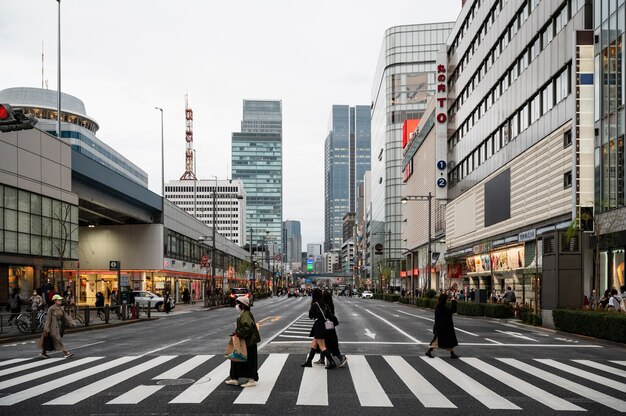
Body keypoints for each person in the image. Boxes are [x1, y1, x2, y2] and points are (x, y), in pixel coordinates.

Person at [224, 296, 261, 387]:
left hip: (249, 342)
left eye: (238, 304)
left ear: (242, 305)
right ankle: (235, 378)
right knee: (237, 358)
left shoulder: (246, 314)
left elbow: (247, 327)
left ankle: (251, 380)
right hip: (245, 341)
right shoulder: (244, 313)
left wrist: (238, 333)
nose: (236, 306)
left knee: (248, 360)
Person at [301, 288, 337, 369]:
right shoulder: (325, 305)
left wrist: (316, 314)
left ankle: (332, 362)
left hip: (319, 326)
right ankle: (309, 361)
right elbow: (330, 316)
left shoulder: (315, 304)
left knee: (322, 346)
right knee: (314, 344)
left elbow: (310, 316)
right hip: (324, 325)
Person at [315, 290, 347, 367]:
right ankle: (322, 359)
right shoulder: (330, 304)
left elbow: (324, 315)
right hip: (330, 326)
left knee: (326, 344)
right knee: (324, 343)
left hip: (326, 326)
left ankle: (340, 357)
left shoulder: (325, 306)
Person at [37, 294, 75, 358]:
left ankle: (43, 352)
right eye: (59, 300)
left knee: (50, 341)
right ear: (55, 301)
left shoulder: (61, 308)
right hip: (52, 327)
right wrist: (46, 329)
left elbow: (66, 316)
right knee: (58, 339)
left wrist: (72, 322)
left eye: (60, 300)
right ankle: (66, 352)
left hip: (58, 326)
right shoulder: (51, 309)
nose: (60, 301)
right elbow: (48, 320)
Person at [425, 293, 460, 359]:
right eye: (446, 299)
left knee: (447, 340)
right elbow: (452, 310)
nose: (447, 300)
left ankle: (452, 353)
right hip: (444, 327)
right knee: (439, 340)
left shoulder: (438, 307)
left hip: (440, 327)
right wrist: (454, 302)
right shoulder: (443, 307)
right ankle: (429, 351)